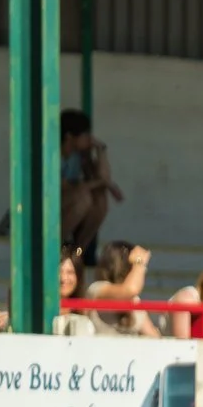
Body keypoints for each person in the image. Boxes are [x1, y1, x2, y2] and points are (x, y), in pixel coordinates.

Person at [59, 110, 124, 257]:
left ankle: (77, 253)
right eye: (85, 134)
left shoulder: (79, 156)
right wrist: (104, 183)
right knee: (83, 198)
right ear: (69, 137)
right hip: (46, 210)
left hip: (67, 206)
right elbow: (67, 187)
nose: (90, 139)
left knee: (99, 198)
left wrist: (101, 150)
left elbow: (102, 177)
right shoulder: (54, 154)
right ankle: (53, 246)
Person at [85, 242, 162, 337]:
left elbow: (152, 335)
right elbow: (131, 290)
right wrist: (139, 263)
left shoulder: (134, 300)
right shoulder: (97, 289)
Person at [49, 251, 98, 338]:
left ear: (78, 277)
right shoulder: (43, 309)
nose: (63, 278)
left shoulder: (86, 310)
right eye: (59, 271)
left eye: (70, 272)